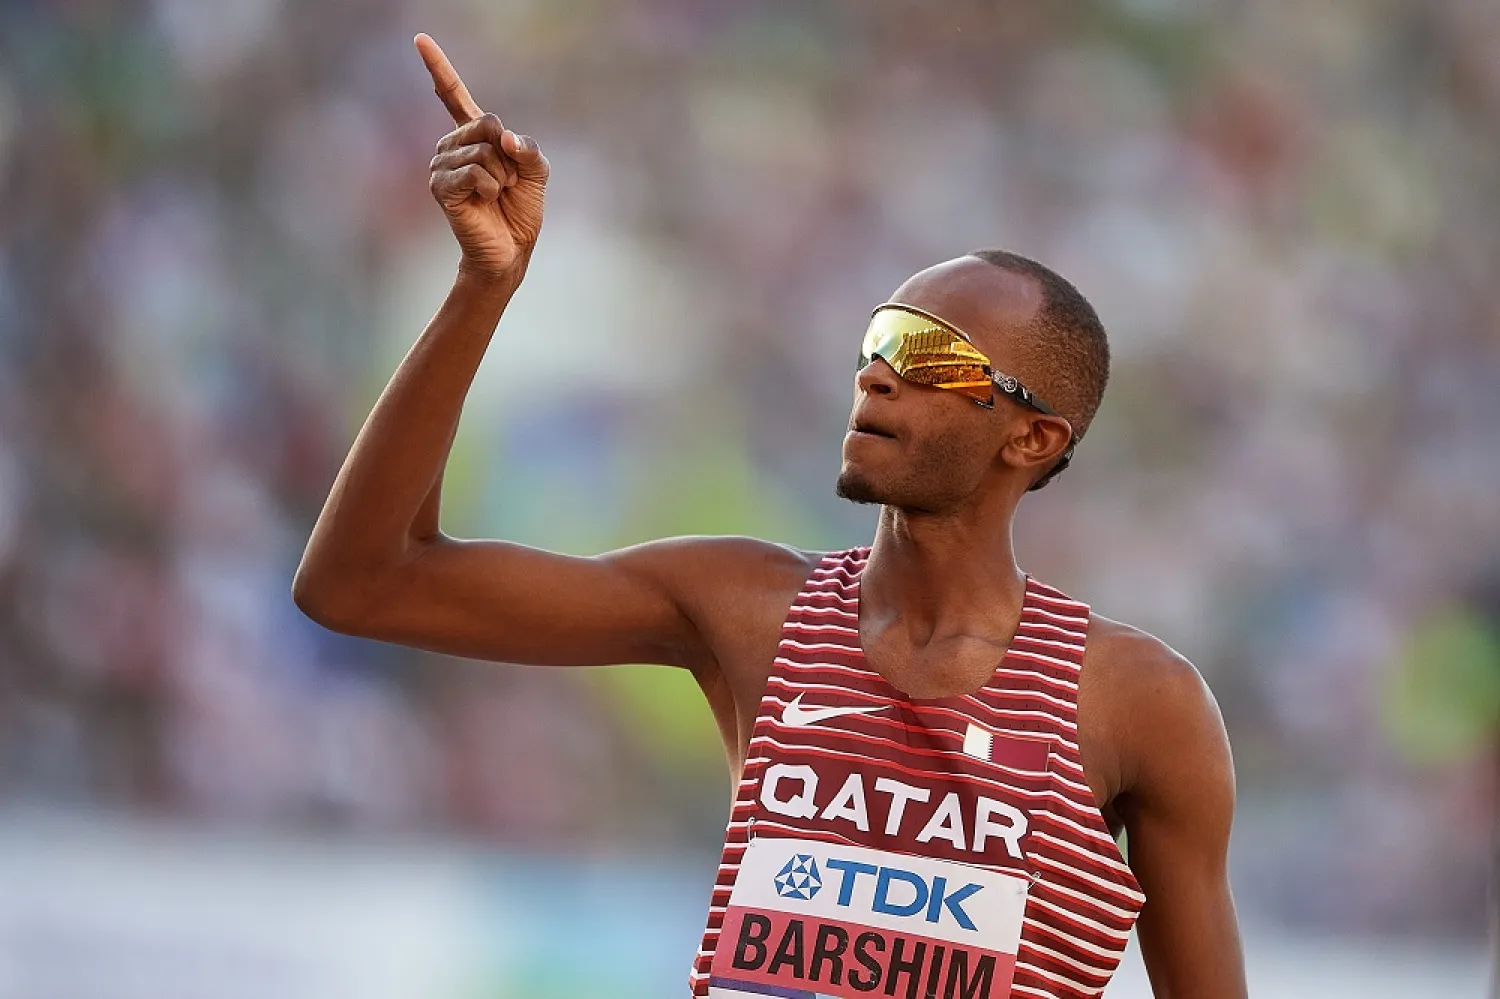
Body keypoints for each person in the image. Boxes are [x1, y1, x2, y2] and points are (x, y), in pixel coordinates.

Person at [293, 33, 1248, 999]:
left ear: (1032, 439)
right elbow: (363, 581)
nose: (879, 370)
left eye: (931, 356)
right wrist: (482, 287)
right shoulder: (749, 605)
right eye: (881, 337)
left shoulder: (1138, 702)